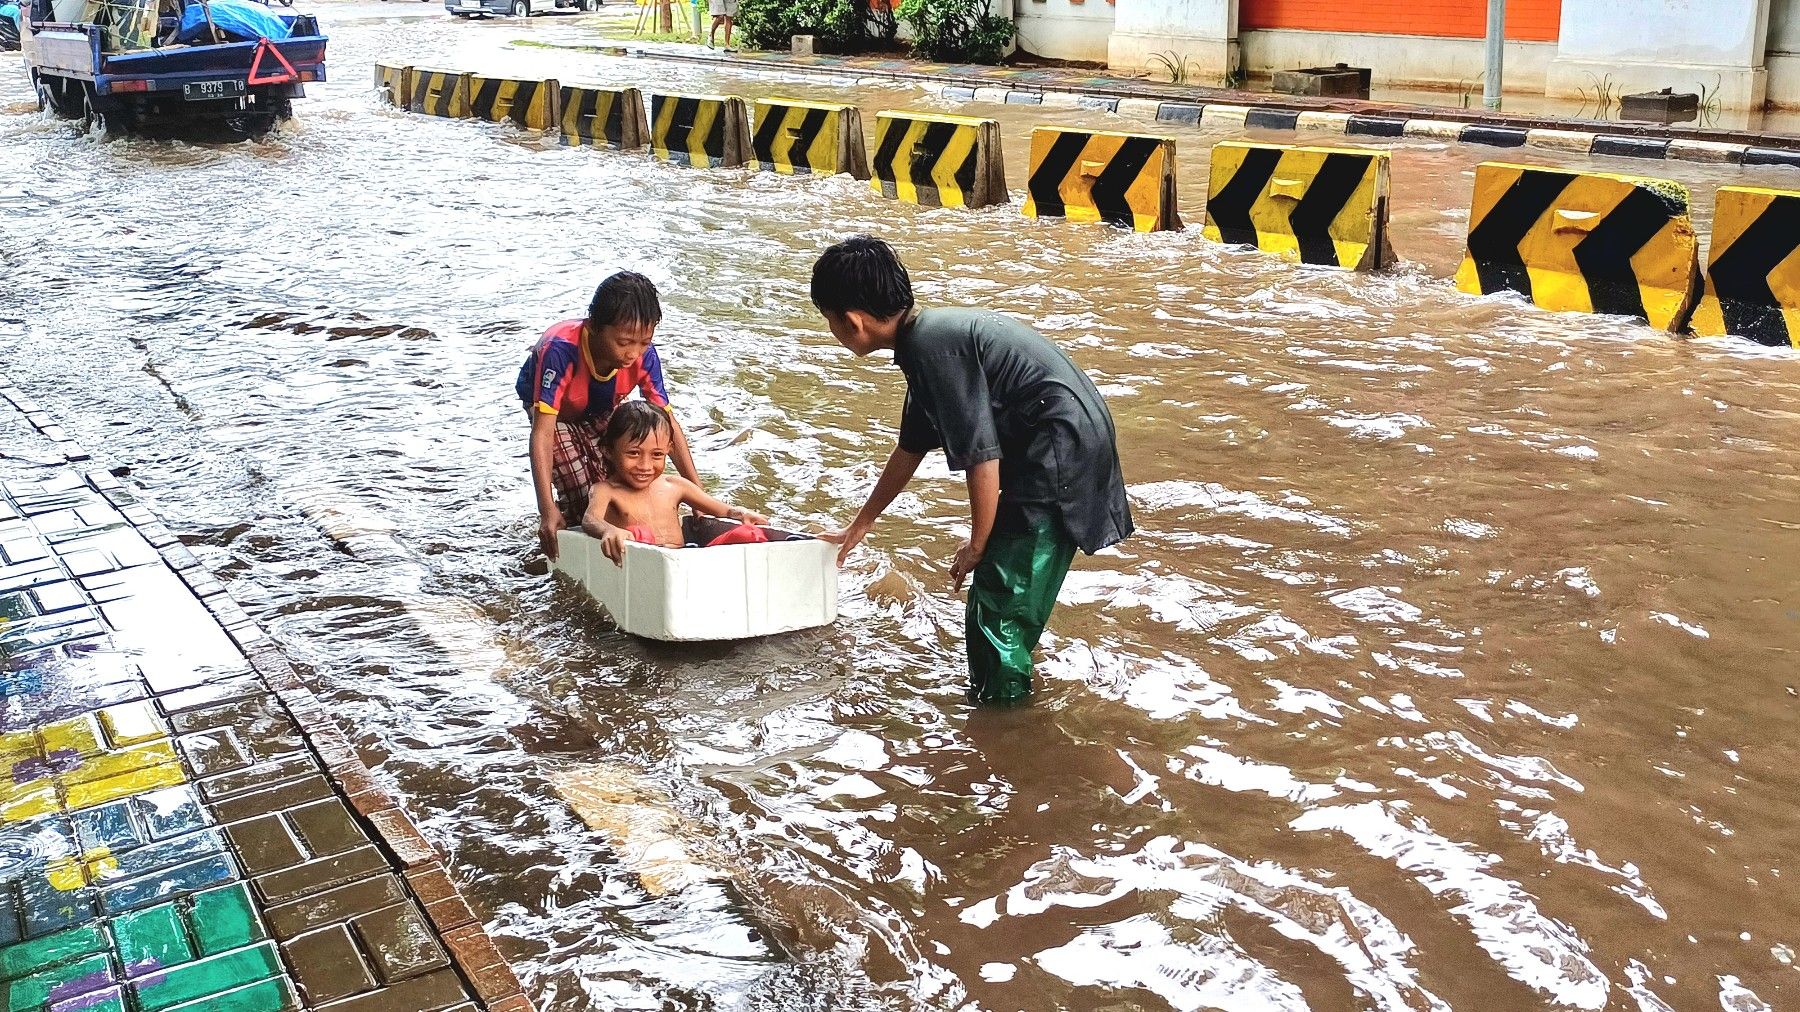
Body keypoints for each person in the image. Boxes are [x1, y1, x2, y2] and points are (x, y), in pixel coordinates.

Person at [812, 236, 1133, 704]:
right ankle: (1011, 703)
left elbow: (982, 458)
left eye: (828, 319)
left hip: (1056, 454)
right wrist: (860, 523)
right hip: (1063, 443)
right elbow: (909, 449)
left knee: (999, 606)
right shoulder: (927, 342)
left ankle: (1004, 728)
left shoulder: (932, 350)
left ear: (851, 320)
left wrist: (979, 543)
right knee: (1004, 599)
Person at [519, 271, 700, 561]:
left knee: (625, 470)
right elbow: (543, 432)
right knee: (582, 494)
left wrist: (697, 493)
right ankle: (575, 541)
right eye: (624, 342)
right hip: (556, 413)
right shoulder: (561, 351)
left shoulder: (644, 356)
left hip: (602, 403)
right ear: (593, 327)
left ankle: (632, 542)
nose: (633, 353)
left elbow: (666, 426)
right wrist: (547, 508)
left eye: (643, 342)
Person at [581, 402, 767, 564]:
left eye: (657, 455)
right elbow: (590, 519)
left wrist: (741, 513)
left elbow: (723, 510)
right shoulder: (606, 490)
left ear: (668, 450)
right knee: (639, 535)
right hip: (645, 566)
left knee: (750, 533)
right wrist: (610, 531)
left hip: (688, 561)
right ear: (608, 451)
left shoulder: (675, 485)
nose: (645, 466)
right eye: (634, 453)